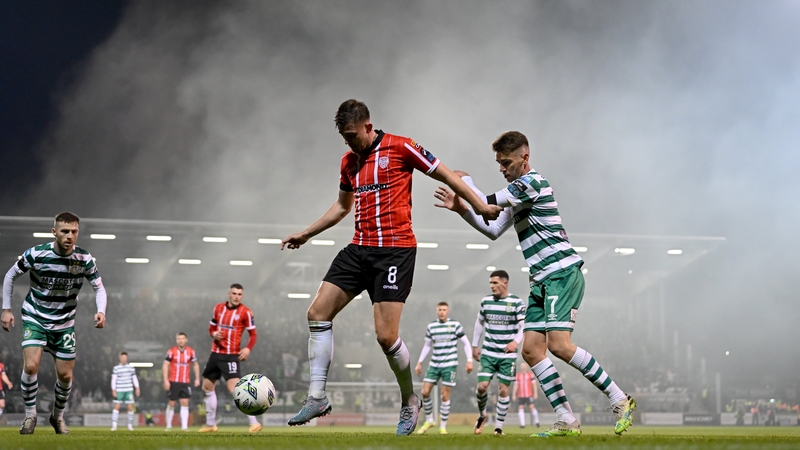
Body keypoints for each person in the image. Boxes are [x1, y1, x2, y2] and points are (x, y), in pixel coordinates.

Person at [280, 99, 501, 436]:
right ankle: (317, 397)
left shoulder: (402, 147)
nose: (349, 142)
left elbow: (444, 173)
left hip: (395, 251)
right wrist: (307, 234)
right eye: (343, 137)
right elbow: (342, 208)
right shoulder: (348, 161)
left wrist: (479, 205)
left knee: (386, 337)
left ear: (368, 126)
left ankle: (409, 400)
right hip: (359, 248)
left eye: (352, 135)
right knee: (317, 313)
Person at [434, 131, 636, 437]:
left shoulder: (532, 183)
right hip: (541, 279)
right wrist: (462, 207)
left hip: (561, 273)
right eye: (499, 163)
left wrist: (460, 182)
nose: (502, 168)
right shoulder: (516, 192)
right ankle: (566, 419)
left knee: (559, 345)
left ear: (524, 158)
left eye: (506, 162)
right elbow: (492, 227)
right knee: (530, 350)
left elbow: (487, 205)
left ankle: (620, 398)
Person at [1, 211, 107, 435]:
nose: (70, 236)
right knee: (31, 366)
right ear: (54, 232)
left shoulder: (84, 259)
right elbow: (10, 276)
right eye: (65, 231)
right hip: (35, 316)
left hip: (65, 323)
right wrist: (6, 309)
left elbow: (99, 287)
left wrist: (101, 311)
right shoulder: (36, 254)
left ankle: (57, 417)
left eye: (74, 231)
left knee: (66, 376)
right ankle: (30, 415)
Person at [198, 284, 261, 433]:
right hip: (215, 353)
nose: (237, 296)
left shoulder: (245, 312)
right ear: (229, 294)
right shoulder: (218, 308)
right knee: (207, 387)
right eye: (234, 293)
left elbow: (253, 334)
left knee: (234, 389)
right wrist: (213, 334)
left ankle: (254, 422)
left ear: (242, 296)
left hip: (231, 355)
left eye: (239, 294)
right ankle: (210, 425)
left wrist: (247, 348)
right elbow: (211, 328)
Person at [471, 270, 524, 436]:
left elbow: (523, 326)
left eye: (495, 283)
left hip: (507, 355)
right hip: (488, 352)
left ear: (505, 283)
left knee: (503, 390)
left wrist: (516, 341)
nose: (491, 286)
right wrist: (474, 345)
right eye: (490, 283)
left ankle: (498, 428)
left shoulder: (516, 302)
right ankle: (482, 415)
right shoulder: (486, 301)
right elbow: (479, 323)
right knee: (482, 387)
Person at [414, 301, 473, 435]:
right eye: (440, 309)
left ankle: (443, 427)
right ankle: (430, 420)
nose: (442, 312)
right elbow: (427, 346)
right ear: (436, 311)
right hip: (434, 364)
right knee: (425, 392)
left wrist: (469, 360)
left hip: (450, 365)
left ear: (448, 311)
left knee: (445, 395)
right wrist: (420, 362)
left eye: (444, 310)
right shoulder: (432, 327)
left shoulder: (455, 325)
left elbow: (465, 343)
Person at [163, 332, 200, 431]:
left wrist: (197, 378)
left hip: (185, 381)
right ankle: (168, 425)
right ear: (176, 340)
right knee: (172, 403)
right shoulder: (171, 351)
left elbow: (195, 364)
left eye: (182, 338)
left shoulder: (191, 352)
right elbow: (165, 365)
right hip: (173, 381)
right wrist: (166, 380)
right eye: (179, 339)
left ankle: (184, 427)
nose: (181, 340)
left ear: (186, 340)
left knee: (185, 402)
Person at [111, 351, 140, 431]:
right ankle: (114, 426)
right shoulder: (116, 368)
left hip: (128, 389)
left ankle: (130, 425)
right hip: (119, 389)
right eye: (122, 357)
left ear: (127, 358)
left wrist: (137, 388)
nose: (123, 359)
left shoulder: (131, 368)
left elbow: (134, 378)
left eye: (125, 357)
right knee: (117, 406)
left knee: (130, 407)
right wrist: (113, 389)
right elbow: (114, 380)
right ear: (120, 358)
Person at [513, 362, 540, 428]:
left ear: (526, 367)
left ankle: (537, 422)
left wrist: (535, 393)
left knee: (532, 407)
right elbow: (516, 385)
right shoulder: (518, 375)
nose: (523, 367)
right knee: (521, 408)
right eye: (522, 366)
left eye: (524, 366)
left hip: (529, 394)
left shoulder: (530, 375)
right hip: (521, 395)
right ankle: (522, 424)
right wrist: (514, 394)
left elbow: (534, 384)